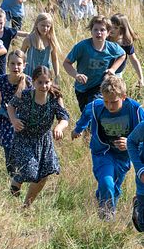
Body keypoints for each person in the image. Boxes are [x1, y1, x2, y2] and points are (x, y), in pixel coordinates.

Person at [72, 74, 144, 220]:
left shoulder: (135, 110)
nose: (109, 106)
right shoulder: (97, 106)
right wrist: (78, 129)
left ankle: (105, 206)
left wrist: (129, 143)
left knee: (114, 186)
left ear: (123, 97)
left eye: (114, 102)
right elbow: (87, 112)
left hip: (123, 156)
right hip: (102, 152)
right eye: (106, 101)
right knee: (106, 182)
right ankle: (107, 217)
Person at [7, 66, 69, 207]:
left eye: (46, 82)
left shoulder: (55, 97)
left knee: (43, 175)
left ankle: (26, 205)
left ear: (51, 82)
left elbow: (64, 117)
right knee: (31, 170)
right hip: (24, 137)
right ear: (33, 82)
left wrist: (60, 127)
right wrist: (14, 120)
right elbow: (11, 106)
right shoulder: (25, 95)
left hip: (44, 140)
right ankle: (16, 181)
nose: (43, 86)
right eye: (39, 82)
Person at [63, 15, 126, 112]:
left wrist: (112, 69)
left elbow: (122, 55)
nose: (99, 32)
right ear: (91, 31)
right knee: (86, 114)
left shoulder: (111, 47)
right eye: (95, 29)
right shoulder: (82, 46)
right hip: (82, 88)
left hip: (99, 86)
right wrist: (76, 75)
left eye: (102, 30)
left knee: (93, 109)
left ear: (108, 32)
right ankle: (88, 127)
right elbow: (66, 63)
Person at [21, 13, 61, 79]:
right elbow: (21, 56)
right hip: (30, 74)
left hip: (45, 74)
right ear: (37, 24)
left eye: (48, 26)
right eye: (42, 25)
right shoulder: (29, 39)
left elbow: (54, 59)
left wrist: (57, 74)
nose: (45, 28)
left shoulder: (51, 41)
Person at [0, 8, 28, 76]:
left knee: (1, 79)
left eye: (1, 23)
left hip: (2, 62)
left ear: (5, 21)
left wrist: (33, 34)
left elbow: (22, 34)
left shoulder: (8, 31)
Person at [109, 13, 144, 86]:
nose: (111, 29)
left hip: (117, 74)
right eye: (110, 26)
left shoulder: (125, 43)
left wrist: (141, 78)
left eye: (115, 28)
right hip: (102, 71)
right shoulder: (105, 39)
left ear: (122, 29)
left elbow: (134, 59)